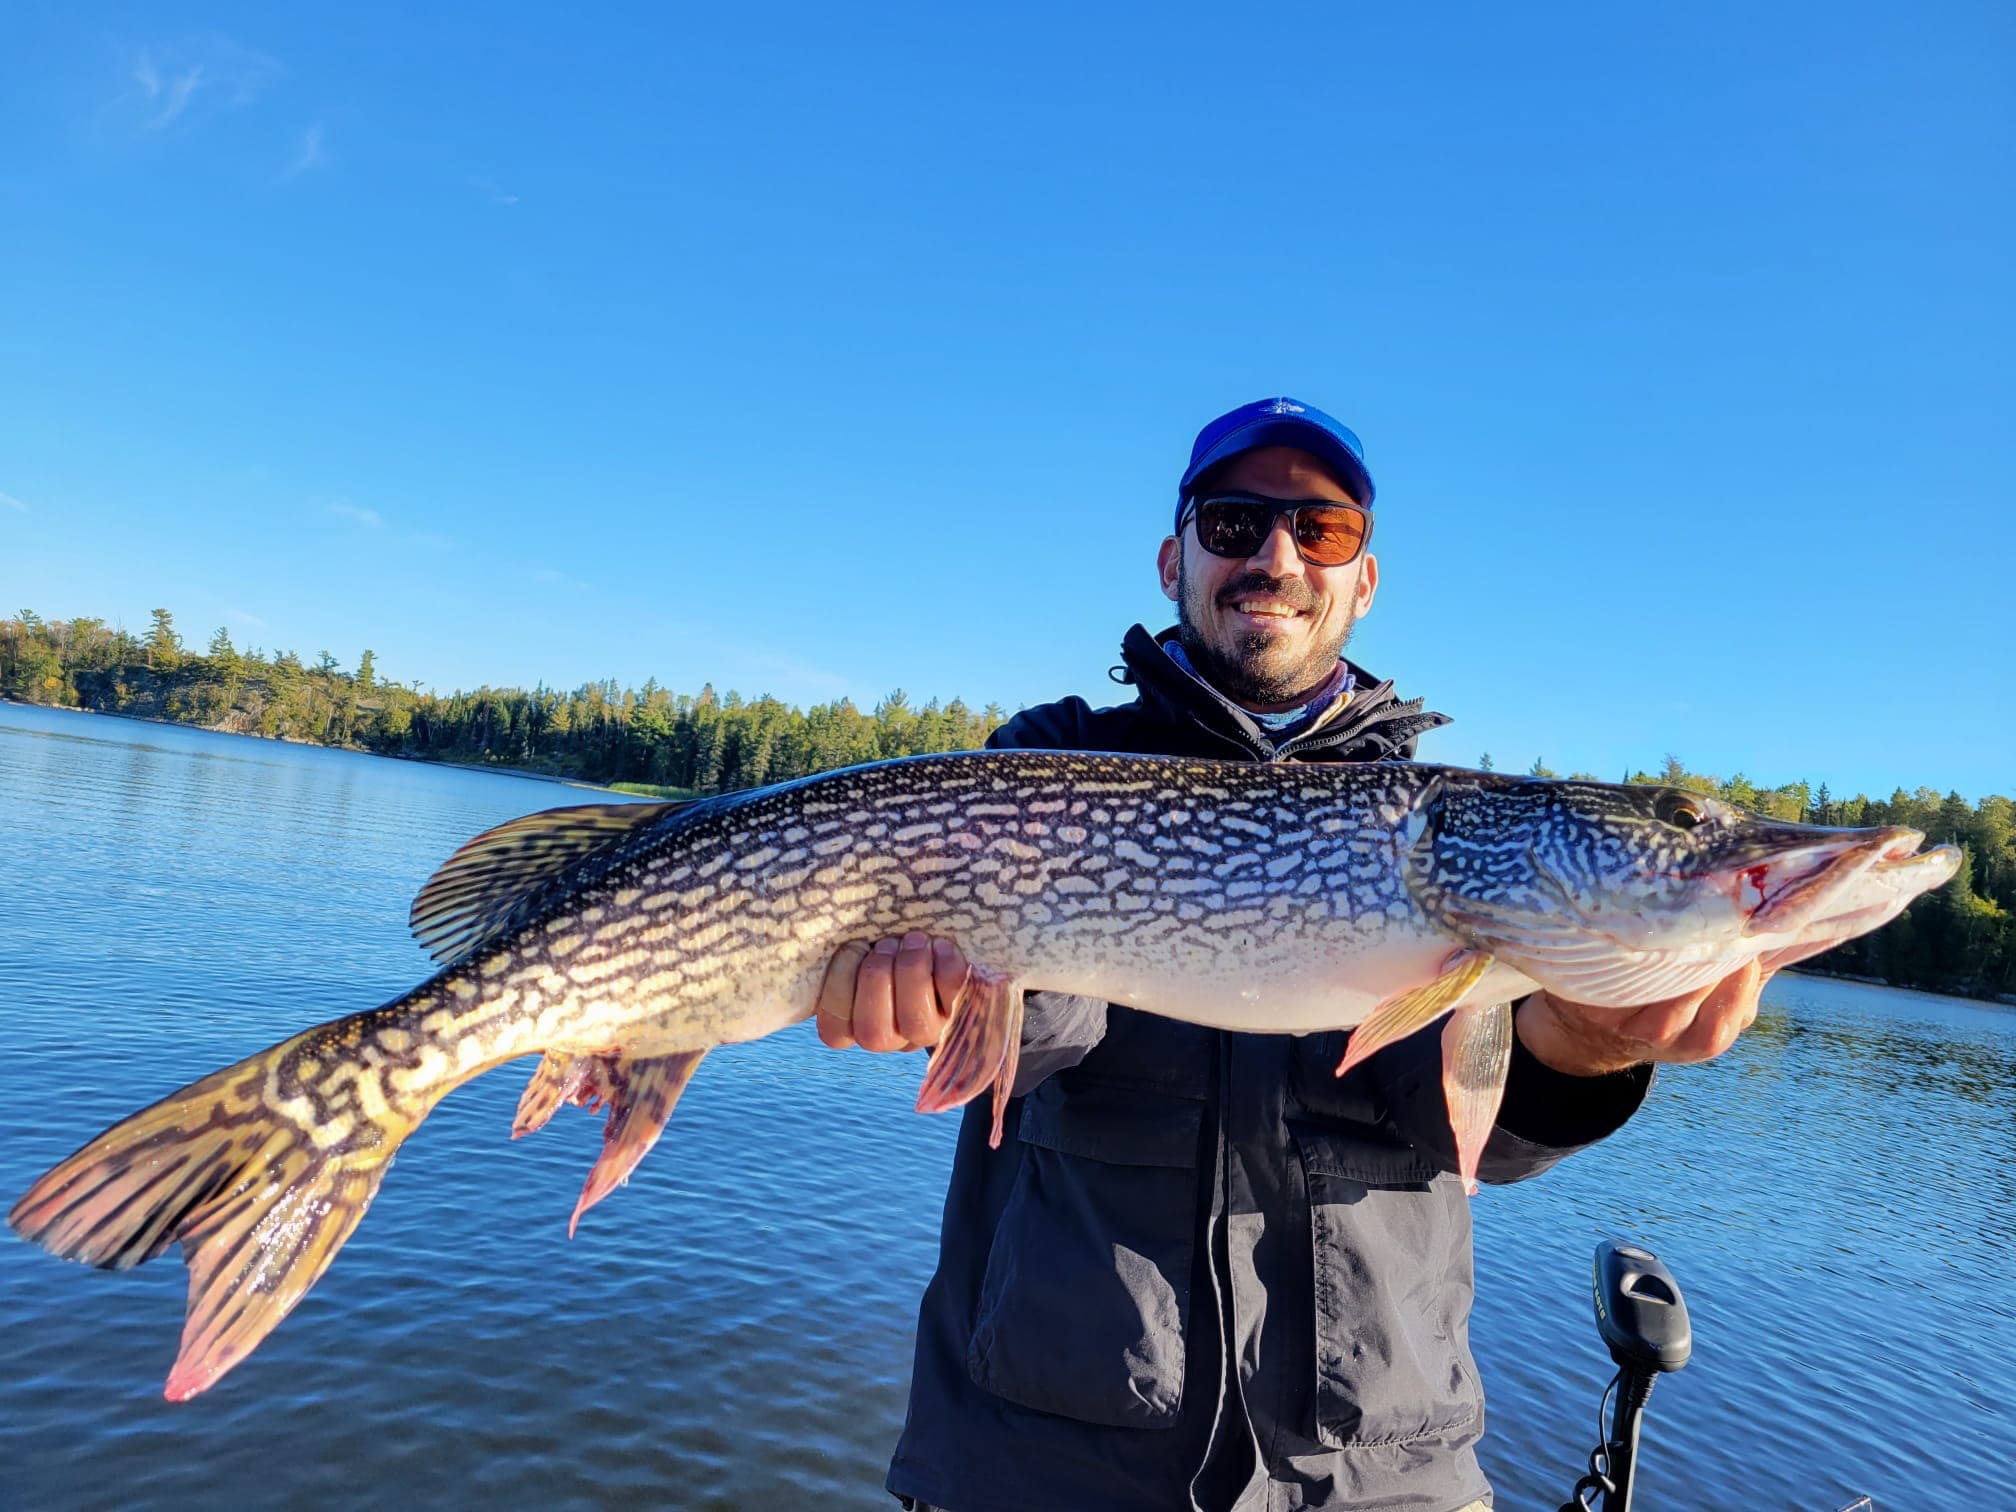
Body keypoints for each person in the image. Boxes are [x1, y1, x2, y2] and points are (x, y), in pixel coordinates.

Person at [816, 398, 1766, 1512]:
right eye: (1233, 523)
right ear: (1175, 558)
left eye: (1321, 533)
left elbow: (1473, 1147)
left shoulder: (1438, 829)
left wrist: (1590, 1043)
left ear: (1362, 581)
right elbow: (1028, 1045)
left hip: (1378, 1477)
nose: (1274, 557)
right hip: (1043, 1464)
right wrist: (945, 996)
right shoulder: (1056, 758)